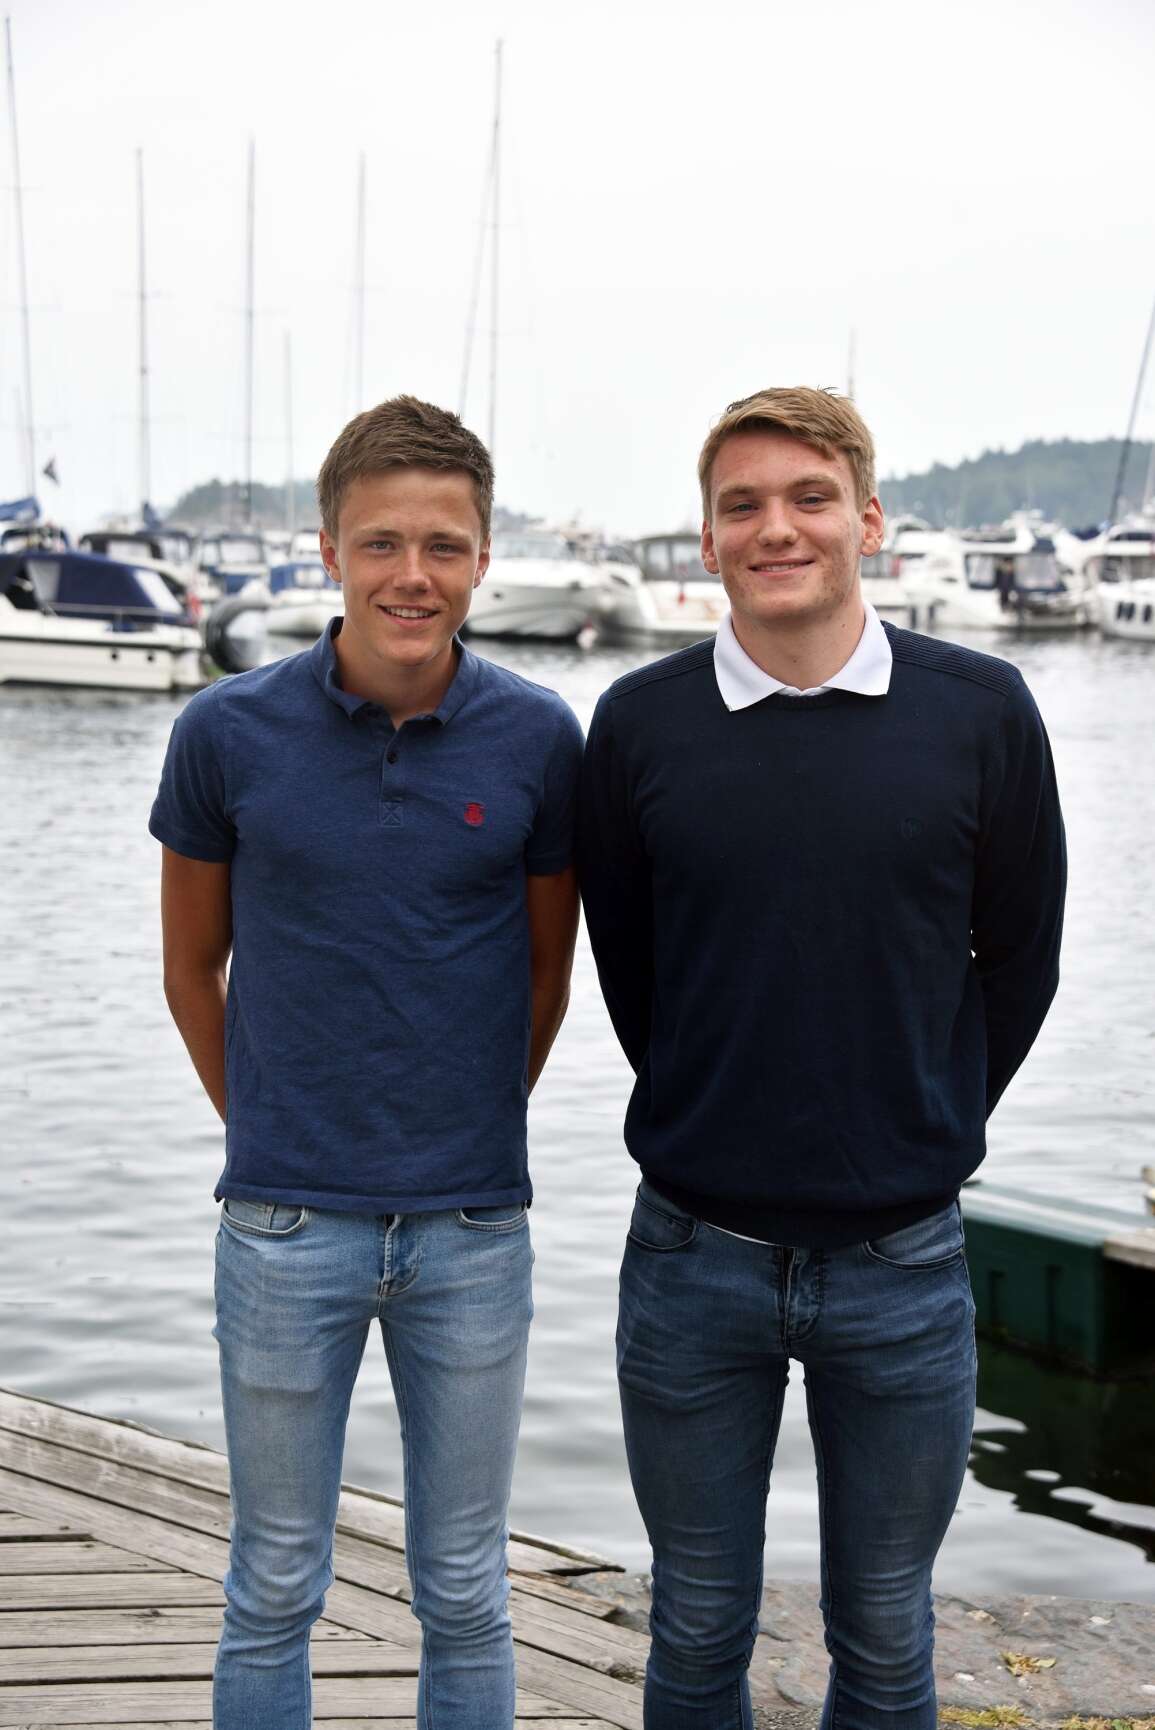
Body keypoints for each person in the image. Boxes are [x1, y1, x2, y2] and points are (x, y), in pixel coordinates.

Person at [577, 386, 1065, 1730]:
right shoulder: (639, 725)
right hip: (692, 1256)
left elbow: (1020, 960)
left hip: (902, 1262)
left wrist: (924, 1114)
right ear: (707, 538)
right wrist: (718, 1097)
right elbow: (632, 968)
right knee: (694, 1628)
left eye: (809, 497)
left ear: (870, 519)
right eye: (742, 505)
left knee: (889, 1636)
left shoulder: (981, 712)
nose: (776, 527)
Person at [150, 395, 583, 1730]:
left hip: (474, 1226)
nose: (414, 574)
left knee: (466, 1585)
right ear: (330, 547)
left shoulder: (539, 739)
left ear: (483, 556)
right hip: (284, 1225)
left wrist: (462, 1123)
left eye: (444, 545)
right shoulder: (225, 733)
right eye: (383, 542)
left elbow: (547, 975)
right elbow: (192, 968)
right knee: (274, 1579)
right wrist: (269, 1127)